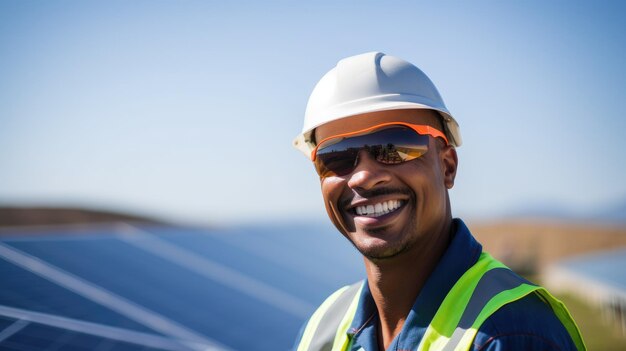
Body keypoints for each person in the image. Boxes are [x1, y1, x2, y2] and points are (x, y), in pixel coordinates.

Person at [292, 52, 585, 351]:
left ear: (447, 166)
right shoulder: (322, 330)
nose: (363, 177)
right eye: (336, 156)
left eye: (394, 146)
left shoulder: (512, 333)